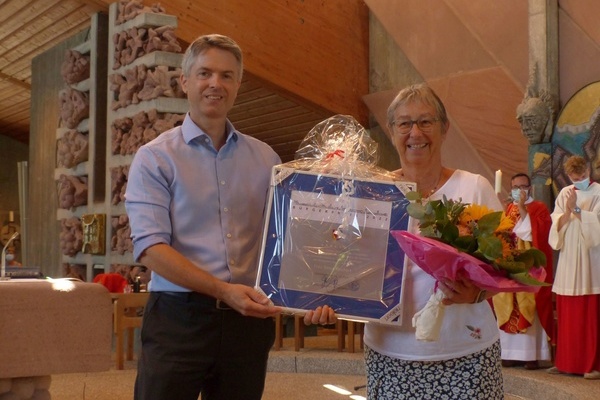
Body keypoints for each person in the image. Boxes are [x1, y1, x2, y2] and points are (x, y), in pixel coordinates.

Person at [126, 34, 336, 400]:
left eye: (226, 76)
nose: (215, 84)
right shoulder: (155, 158)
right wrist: (223, 291)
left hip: (247, 324)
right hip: (179, 318)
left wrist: (315, 292)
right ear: (184, 81)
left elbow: (288, 239)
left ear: (238, 85)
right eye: (205, 73)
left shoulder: (267, 159)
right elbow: (150, 249)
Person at [360, 83, 504, 399]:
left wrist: (478, 292)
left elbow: (508, 269)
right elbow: (349, 263)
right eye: (404, 123)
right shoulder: (373, 192)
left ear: (444, 128)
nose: (416, 133)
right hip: (389, 352)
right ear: (391, 131)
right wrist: (327, 300)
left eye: (426, 121)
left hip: (466, 352)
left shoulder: (474, 187)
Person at [493, 173, 554, 370]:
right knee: (507, 304)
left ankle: (531, 355)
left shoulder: (539, 207)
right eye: (515, 187)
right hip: (509, 263)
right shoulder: (508, 208)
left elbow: (537, 235)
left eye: (523, 186)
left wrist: (522, 208)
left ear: (530, 188)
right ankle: (510, 354)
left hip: (529, 266)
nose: (519, 190)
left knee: (528, 304)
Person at [548, 155, 600, 379]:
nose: (579, 181)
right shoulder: (565, 193)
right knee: (568, 313)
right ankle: (566, 362)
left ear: (588, 171)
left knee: (590, 313)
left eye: (582, 176)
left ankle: (593, 365)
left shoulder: (598, 192)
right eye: (574, 178)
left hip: (591, 259)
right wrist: (568, 211)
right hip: (569, 257)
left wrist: (577, 210)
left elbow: (597, 229)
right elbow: (556, 224)